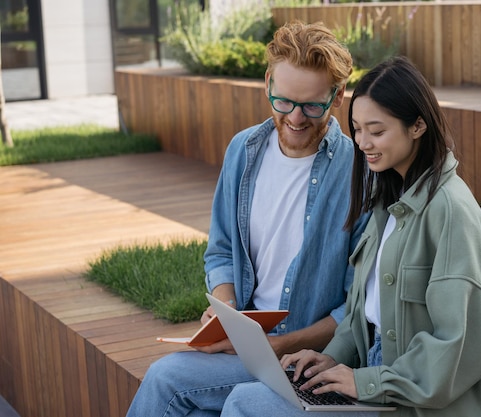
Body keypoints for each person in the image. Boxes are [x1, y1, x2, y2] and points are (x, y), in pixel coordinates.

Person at [221, 56, 481, 417]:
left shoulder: (449, 210)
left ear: (417, 126)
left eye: (377, 131)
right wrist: (329, 358)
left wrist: (368, 383)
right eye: (357, 129)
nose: (363, 142)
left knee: (245, 404)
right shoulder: (388, 199)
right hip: (373, 372)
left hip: (411, 394)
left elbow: (461, 341)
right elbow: (364, 312)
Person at [126, 21, 368, 417]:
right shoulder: (244, 150)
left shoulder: (359, 172)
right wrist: (227, 311)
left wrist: (282, 345)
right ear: (268, 82)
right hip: (251, 346)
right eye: (283, 101)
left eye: (312, 105)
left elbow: (356, 306)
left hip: (313, 355)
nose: (295, 118)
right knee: (161, 378)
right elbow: (221, 250)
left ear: (338, 95)